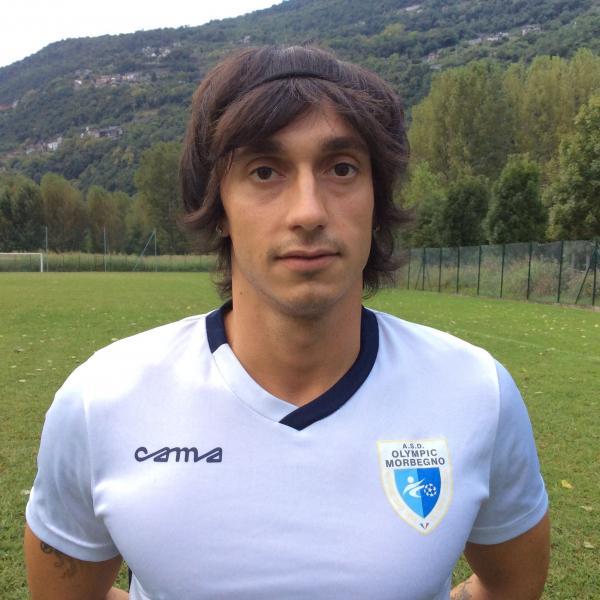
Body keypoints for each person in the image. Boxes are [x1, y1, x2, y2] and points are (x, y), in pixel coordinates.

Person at [24, 45, 550, 600]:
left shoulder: (477, 391)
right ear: (219, 207)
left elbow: (510, 587)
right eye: (265, 171)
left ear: (377, 199)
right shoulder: (101, 399)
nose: (308, 212)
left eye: (341, 168)